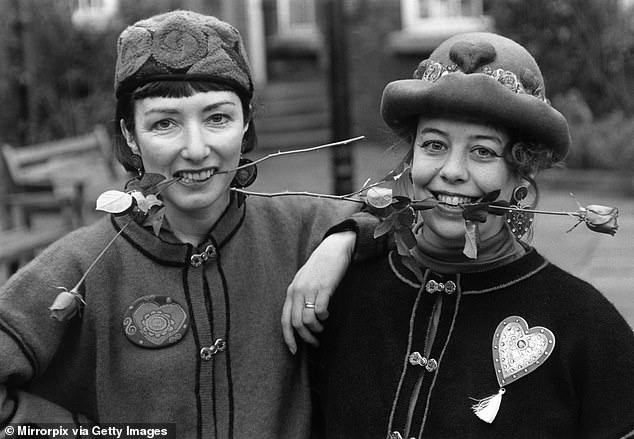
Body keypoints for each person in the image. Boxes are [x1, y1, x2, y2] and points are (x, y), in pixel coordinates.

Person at [0, 10, 379, 438]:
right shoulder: (80, 266)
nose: (196, 149)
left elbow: (405, 216)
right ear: (128, 135)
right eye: (165, 123)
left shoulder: (299, 228)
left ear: (247, 121)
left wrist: (343, 241)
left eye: (217, 118)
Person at [284, 32, 634, 438]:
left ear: (522, 171)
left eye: (482, 152)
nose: (451, 170)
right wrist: (343, 238)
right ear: (410, 158)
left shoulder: (585, 325)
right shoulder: (343, 297)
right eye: (434, 144)